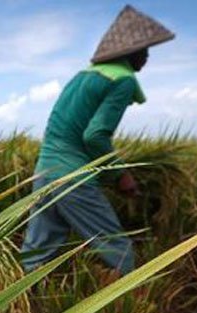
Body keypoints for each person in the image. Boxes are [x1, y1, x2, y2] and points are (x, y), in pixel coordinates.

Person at [20, 5, 175, 275]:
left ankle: (21, 308)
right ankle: (128, 306)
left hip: (45, 170)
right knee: (117, 248)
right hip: (73, 175)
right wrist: (120, 175)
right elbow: (95, 135)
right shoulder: (123, 80)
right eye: (145, 50)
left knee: (37, 253)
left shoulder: (82, 76)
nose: (147, 57)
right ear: (130, 52)